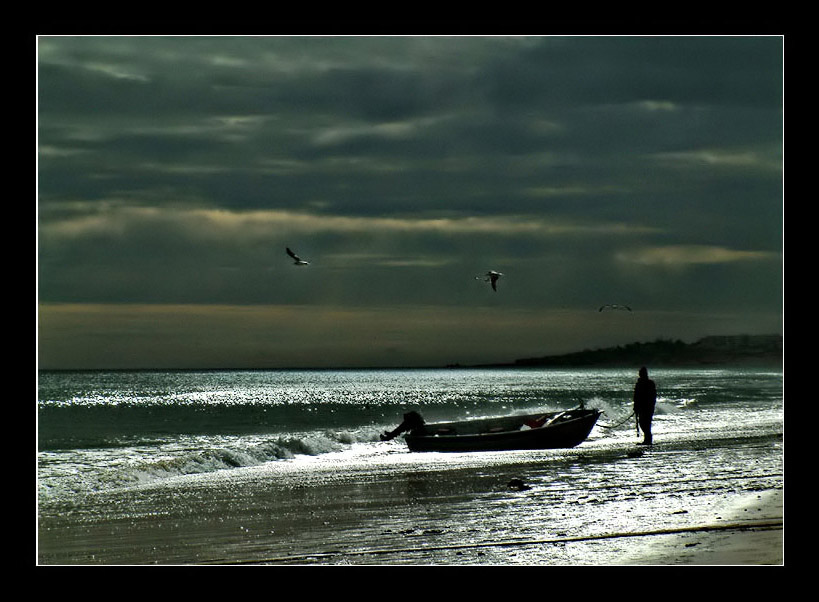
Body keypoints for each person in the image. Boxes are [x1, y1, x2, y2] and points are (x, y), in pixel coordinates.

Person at [633, 366, 657, 445]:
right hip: (643, 407)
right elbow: (636, 397)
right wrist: (636, 406)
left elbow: (653, 395)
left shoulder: (649, 383)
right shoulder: (640, 383)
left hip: (647, 407)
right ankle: (647, 440)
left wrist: (650, 405)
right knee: (643, 423)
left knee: (645, 423)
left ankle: (648, 440)